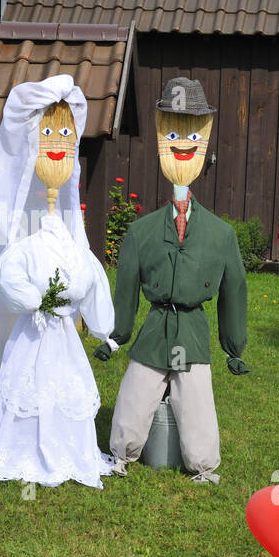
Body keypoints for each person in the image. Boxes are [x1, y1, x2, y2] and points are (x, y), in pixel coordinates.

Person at [0, 75, 115, 488]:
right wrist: (35, 299)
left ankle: (63, 445)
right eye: (47, 133)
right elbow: (9, 277)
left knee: (63, 384)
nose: (57, 140)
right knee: (23, 383)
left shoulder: (73, 249)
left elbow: (90, 279)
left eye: (63, 134)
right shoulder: (24, 248)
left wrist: (101, 327)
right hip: (34, 327)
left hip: (60, 332)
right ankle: (21, 444)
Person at [94, 77, 248, 484]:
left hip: (192, 333)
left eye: (192, 133)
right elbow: (125, 286)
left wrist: (234, 346)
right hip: (155, 330)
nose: (183, 144)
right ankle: (121, 456)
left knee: (196, 398)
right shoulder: (142, 233)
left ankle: (203, 465)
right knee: (135, 392)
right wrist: (116, 335)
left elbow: (234, 291)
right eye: (175, 132)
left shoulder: (220, 235)